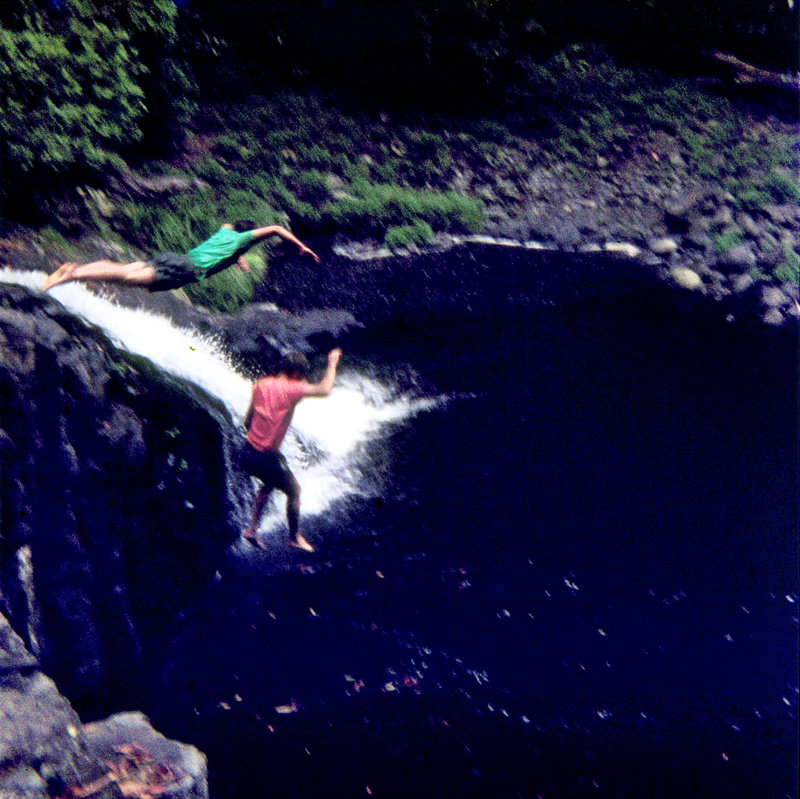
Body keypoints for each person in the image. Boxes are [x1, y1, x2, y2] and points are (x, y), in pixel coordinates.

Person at [241, 347, 342, 552]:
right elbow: (325, 389)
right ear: (296, 373)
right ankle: (294, 537)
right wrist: (332, 362)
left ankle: (251, 530)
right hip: (264, 458)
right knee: (294, 490)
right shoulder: (292, 388)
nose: (301, 379)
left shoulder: (261, 383)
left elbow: (247, 421)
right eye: (301, 375)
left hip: (246, 453)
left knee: (270, 482)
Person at [41, 221, 319, 291]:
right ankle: (72, 275)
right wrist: (300, 245)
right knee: (124, 277)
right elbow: (276, 228)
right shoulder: (241, 240)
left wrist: (237, 259)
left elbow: (228, 227)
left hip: (176, 258)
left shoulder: (225, 235)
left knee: (124, 271)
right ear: (247, 238)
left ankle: (74, 269)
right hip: (186, 270)